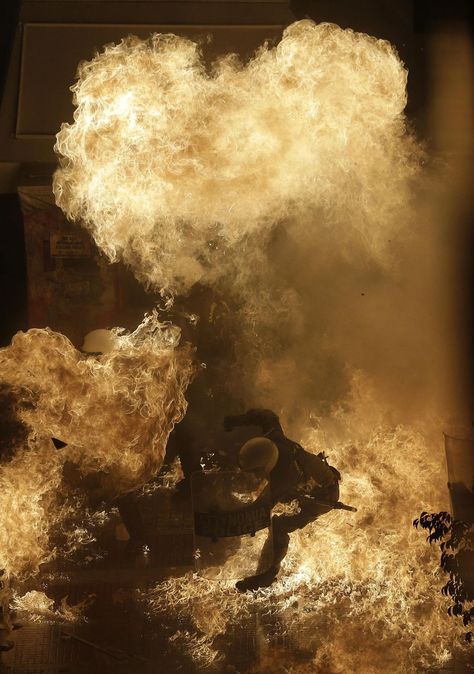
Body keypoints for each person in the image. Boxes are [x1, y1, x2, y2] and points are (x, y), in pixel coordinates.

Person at [224, 409, 349, 591]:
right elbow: (266, 415)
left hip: (321, 497)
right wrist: (236, 420)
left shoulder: (285, 477)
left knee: (279, 526)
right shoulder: (273, 438)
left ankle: (267, 574)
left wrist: (231, 517)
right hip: (305, 482)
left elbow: (259, 509)